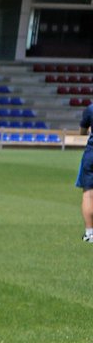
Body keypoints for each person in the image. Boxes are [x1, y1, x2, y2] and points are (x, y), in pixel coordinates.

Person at [78, 102, 93, 242]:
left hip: (92, 154)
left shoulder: (91, 108)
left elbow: (82, 131)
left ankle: (90, 234)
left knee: (88, 194)